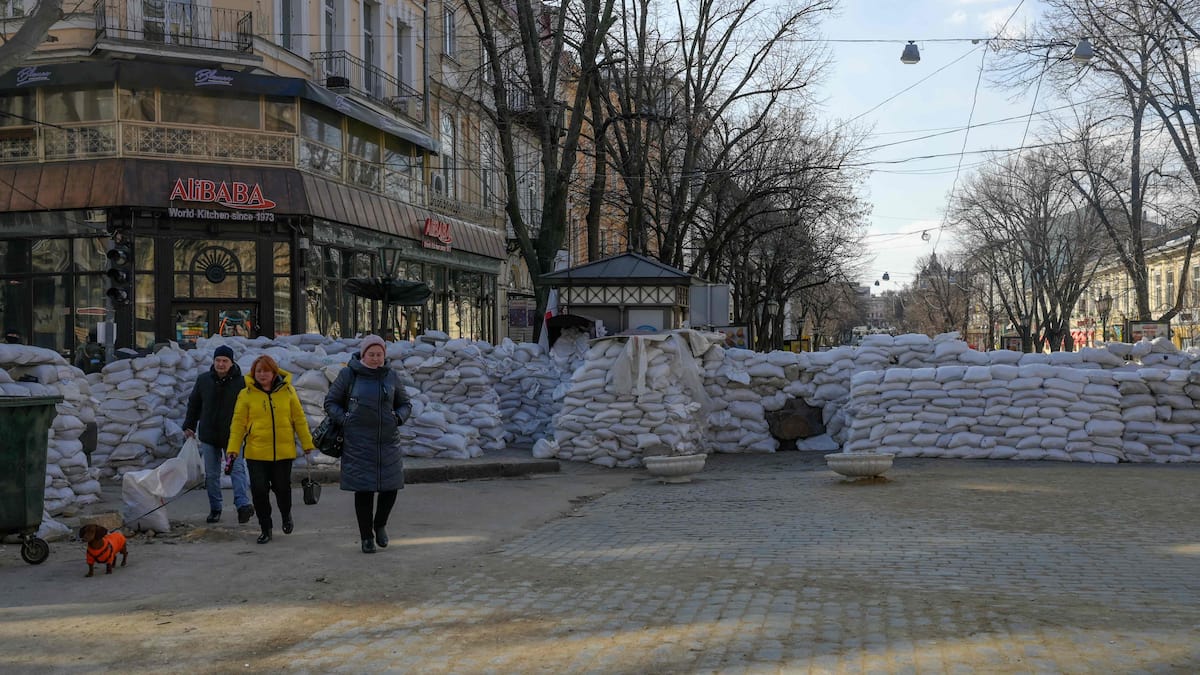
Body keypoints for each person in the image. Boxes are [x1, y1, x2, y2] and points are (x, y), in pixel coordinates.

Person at [324, 334, 412, 554]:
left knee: (390, 488)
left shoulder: (390, 376)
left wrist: (398, 418)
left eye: (379, 354)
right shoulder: (349, 375)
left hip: (387, 443)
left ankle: (380, 524)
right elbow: (330, 402)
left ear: (384, 355)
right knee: (363, 491)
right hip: (358, 443)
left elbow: (405, 403)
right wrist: (345, 419)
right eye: (371, 354)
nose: (375, 359)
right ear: (363, 355)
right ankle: (366, 537)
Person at [227, 354, 314, 544]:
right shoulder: (246, 394)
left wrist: (307, 443)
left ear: (274, 372)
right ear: (253, 373)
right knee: (259, 491)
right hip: (256, 453)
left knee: (282, 489)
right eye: (258, 371)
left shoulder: (288, 391)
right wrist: (233, 449)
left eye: (266, 371)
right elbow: (238, 424)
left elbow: (299, 419)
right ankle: (265, 527)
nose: (262, 374)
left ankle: (286, 515)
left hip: (283, 453)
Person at [182, 345, 254, 525]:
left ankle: (242, 506)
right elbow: (194, 404)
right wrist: (189, 425)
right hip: (209, 434)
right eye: (218, 360)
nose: (221, 364)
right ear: (213, 362)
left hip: (233, 436)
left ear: (232, 362)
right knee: (212, 474)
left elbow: (249, 408)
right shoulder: (204, 380)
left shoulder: (242, 383)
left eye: (225, 361)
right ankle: (215, 508)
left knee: (237, 470)